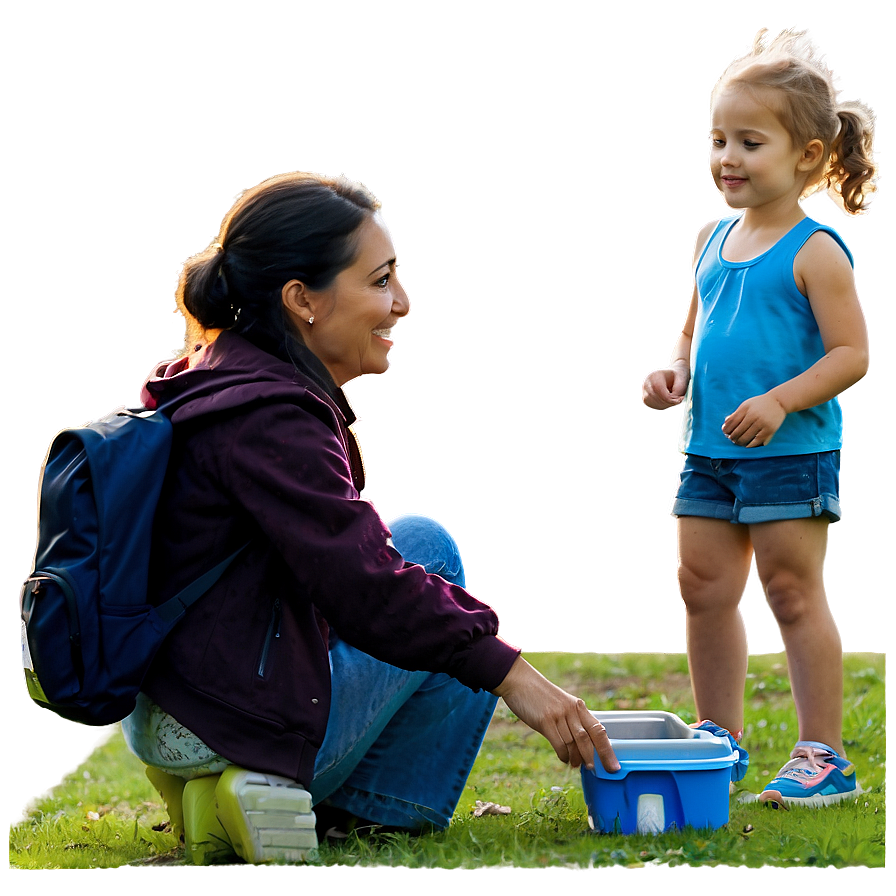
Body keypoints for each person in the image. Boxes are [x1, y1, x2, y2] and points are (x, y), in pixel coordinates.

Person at [121, 170, 619, 864]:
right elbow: (369, 589)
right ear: (302, 301)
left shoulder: (212, 376)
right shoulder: (272, 419)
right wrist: (513, 676)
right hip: (227, 719)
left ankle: (216, 800)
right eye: (381, 280)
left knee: (419, 547)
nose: (403, 303)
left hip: (180, 711)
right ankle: (359, 812)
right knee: (435, 575)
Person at [640, 28, 877, 808]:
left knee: (790, 592)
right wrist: (673, 369)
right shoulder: (711, 239)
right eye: (717, 140)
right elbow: (692, 327)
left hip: (790, 450)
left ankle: (823, 756)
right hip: (709, 450)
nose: (726, 158)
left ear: (808, 155)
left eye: (749, 141)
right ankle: (722, 738)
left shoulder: (817, 250)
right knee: (701, 585)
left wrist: (780, 401)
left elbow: (852, 355)